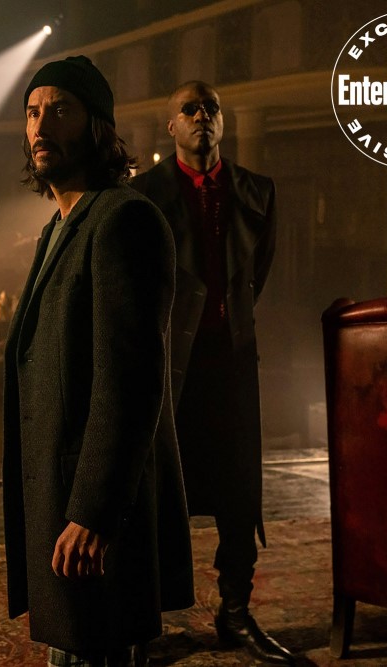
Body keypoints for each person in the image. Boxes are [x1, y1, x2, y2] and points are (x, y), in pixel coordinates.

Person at [3, 55, 194, 667]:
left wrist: (93, 511)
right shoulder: (59, 226)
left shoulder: (123, 219)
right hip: (62, 497)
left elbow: (132, 383)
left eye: (60, 110)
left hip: (91, 510)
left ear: (98, 126)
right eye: (32, 112)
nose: (40, 126)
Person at [130, 81, 293, 665]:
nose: (202, 116)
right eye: (190, 109)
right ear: (171, 126)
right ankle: (144, 621)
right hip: (170, 363)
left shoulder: (257, 191)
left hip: (231, 359)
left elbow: (256, 273)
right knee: (155, 491)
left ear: (223, 121)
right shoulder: (143, 194)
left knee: (238, 487)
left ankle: (235, 612)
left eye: (211, 108)